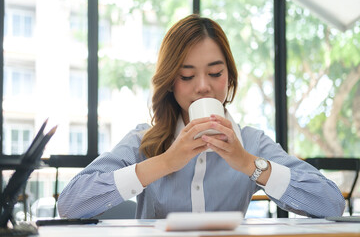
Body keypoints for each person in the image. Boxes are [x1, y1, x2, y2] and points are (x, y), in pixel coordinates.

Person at [58, 14, 345, 219]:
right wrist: (165, 162)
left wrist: (247, 163)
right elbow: (70, 203)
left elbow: (331, 203)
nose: (203, 86)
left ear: (229, 77)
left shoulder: (251, 143)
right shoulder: (144, 141)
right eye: (187, 75)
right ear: (171, 81)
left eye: (215, 73)